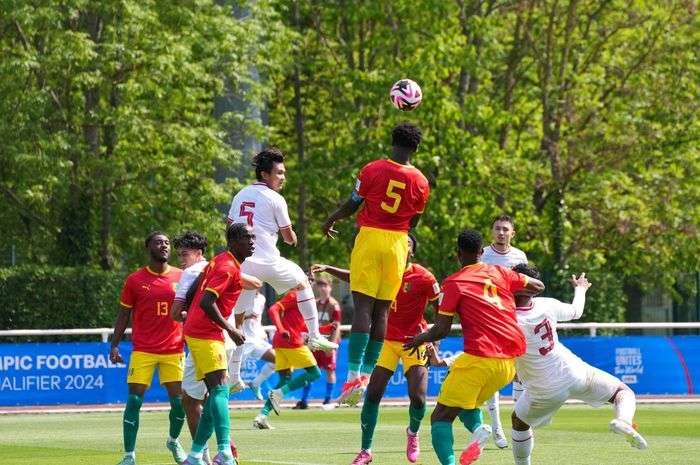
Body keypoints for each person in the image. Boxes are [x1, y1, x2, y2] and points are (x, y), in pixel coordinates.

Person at [404, 229, 544, 465]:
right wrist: (515, 295)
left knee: (440, 417)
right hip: (508, 366)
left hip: (480, 359)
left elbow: (441, 330)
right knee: (466, 405)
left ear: (458, 253)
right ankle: (479, 429)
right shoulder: (502, 273)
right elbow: (538, 285)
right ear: (482, 252)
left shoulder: (454, 283)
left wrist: (419, 339)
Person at [322, 123, 430, 403]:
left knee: (363, 307)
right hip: (397, 243)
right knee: (382, 311)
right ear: (416, 148)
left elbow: (353, 202)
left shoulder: (372, 169)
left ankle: (351, 375)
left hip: (370, 237)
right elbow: (415, 220)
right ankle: (366, 376)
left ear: (392, 141)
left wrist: (332, 218)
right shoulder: (421, 181)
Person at [314, 234, 440, 465]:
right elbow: (356, 277)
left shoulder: (424, 277)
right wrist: (329, 268)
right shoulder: (382, 271)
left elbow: (441, 306)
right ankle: (366, 450)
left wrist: (434, 338)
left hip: (414, 340)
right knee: (372, 395)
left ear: (411, 250)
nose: (403, 245)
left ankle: (412, 433)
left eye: (408, 243)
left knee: (419, 397)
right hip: (386, 341)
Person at [510, 263, 647, 465]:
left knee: (519, 422)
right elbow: (576, 311)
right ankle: (623, 421)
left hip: (544, 388)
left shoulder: (506, 318)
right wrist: (580, 288)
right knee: (623, 392)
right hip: (573, 371)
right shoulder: (546, 304)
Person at [226, 148, 337, 389]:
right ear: (265, 174)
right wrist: (294, 237)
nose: (283, 177)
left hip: (242, 265)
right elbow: (288, 238)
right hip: (267, 261)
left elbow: (229, 228)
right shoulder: (275, 198)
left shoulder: (240, 195)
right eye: (279, 173)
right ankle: (315, 335)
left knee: (238, 322)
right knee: (303, 284)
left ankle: (234, 377)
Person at [181, 223, 260, 465]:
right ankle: (224, 451)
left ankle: (195, 455)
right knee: (219, 390)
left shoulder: (221, 260)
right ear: (234, 240)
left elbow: (197, 287)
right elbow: (207, 301)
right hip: (206, 332)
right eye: (248, 237)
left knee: (213, 391)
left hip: (200, 330)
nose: (253, 241)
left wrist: (186, 305)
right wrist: (231, 328)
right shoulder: (227, 267)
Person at [110, 232, 186, 465]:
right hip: (143, 349)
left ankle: (173, 440)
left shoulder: (182, 276)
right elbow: (124, 314)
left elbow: (191, 310)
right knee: (134, 401)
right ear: (148, 248)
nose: (164, 246)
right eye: (158, 242)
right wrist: (114, 345)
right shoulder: (135, 280)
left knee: (180, 404)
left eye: (167, 243)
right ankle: (129, 456)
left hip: (174, 349)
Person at [170, 231, 240, 463]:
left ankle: (219, 451)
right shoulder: (217, 265)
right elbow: (254, 282)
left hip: (208, 335)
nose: (181, 259)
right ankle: (200, 454)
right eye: (178, 254)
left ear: (198, 253)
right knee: (206, 395)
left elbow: (175, 313)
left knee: (202, 396)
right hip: (217, 335)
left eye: (184, 254)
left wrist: (186, 312)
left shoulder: (192, 272)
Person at [480, 214, 529, 449]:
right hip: (488, 320)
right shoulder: (482, 255)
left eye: (505, 229)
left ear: (512, 233)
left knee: (519, 371)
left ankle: (519, 423)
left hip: (513, 319)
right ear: (492, 231)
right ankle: (497, 427)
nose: (501, 232)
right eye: (497, 228)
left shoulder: (519, 256)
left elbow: (525, 287)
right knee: (492, 374)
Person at [252, 291, 321, 429]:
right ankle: (279, 393)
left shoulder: (304, 298)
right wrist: (281, 328)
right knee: (315, 373)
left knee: (285, 379)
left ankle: (262, 416)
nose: (311, 279)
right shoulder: (296, 294)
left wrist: (325, 328)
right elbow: (273, 309)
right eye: (309, 276)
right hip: (291, 341)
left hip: (281, 341)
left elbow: (301, 325)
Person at [294, 274, 342, 409]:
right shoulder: (313, 303)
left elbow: (336, 325)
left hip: (327, 341)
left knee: (330, 370)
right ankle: (303, 400)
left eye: (325, 285)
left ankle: (327, 399)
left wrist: (331, 346)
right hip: (314, 342)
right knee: (310, 369)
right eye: (320, 285)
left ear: (330, 288)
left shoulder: (334, 305)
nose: (322, 288)